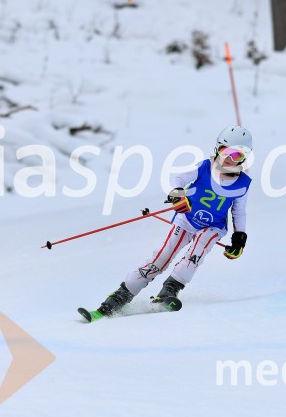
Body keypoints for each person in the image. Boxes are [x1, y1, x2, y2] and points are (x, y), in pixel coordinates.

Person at [86, 126, 253, 317]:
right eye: (227, 153)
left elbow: (239, 211)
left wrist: (239, 237)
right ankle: (119, 297)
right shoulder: (205, 167)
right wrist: (178, 194)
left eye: (238, 155)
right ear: (218, 148)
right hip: (186, 219)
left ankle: (170, 289)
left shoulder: (243, 184)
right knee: (161, 257)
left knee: (196, 251)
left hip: (214, 226)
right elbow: (179, 178)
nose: (231, 159)